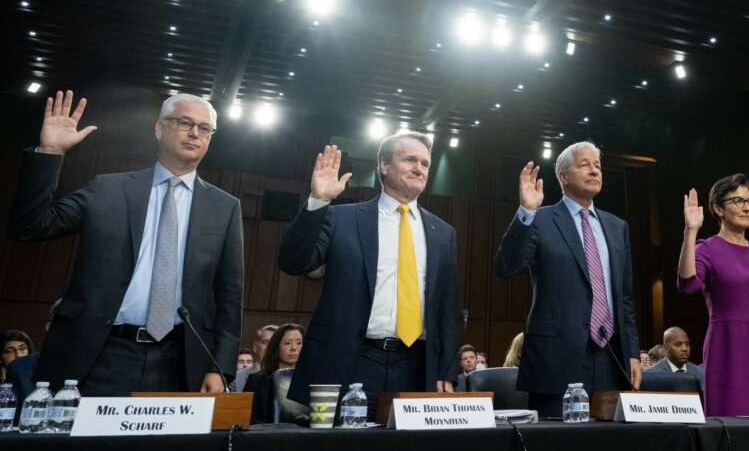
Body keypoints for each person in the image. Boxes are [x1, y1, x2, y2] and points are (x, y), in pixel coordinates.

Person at [8, 90, 243, 394]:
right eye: (185, 123)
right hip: (97, 354)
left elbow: (230, 294)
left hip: (180, 360)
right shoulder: (107, 189)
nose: (195, 133)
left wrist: (220, 366)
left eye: (205, 128)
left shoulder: (225, 207)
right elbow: (29, 226)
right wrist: (50, 152)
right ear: (159, 129)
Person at [280, 136, 460, 407]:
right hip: (349, 361)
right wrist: (318, 201)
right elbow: (293, 262)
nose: (419, 168)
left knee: (412, 450)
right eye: (409, 159)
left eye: (425, 163)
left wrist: (446, 369)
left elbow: (448, 308)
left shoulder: (443, 233)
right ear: (384, 165)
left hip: (416, 365)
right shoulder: (342, 218)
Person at [494, 143, 642, 418]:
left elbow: (623, 297)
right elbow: (506, 267)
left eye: (597, 165)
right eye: (584, 164)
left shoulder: (617, 226)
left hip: (611, 357)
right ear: (563, 176)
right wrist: (525, 212)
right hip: (555, 357)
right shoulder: (540, 219)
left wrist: (632, 352)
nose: (594, 170)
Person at [678, 175, 749, 416]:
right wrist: (691, 231)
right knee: (731, 426)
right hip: (727, 350)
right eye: (738, 201)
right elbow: (688, 284)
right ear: (718, 209)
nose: (746, 207)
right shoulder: (706, 248)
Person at [243, 324, 305, 423]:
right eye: (287, 343)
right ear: (276, 347)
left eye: (299, 343)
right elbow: (247, 419)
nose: (294, 348)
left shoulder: (310, 380)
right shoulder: (256, 381)